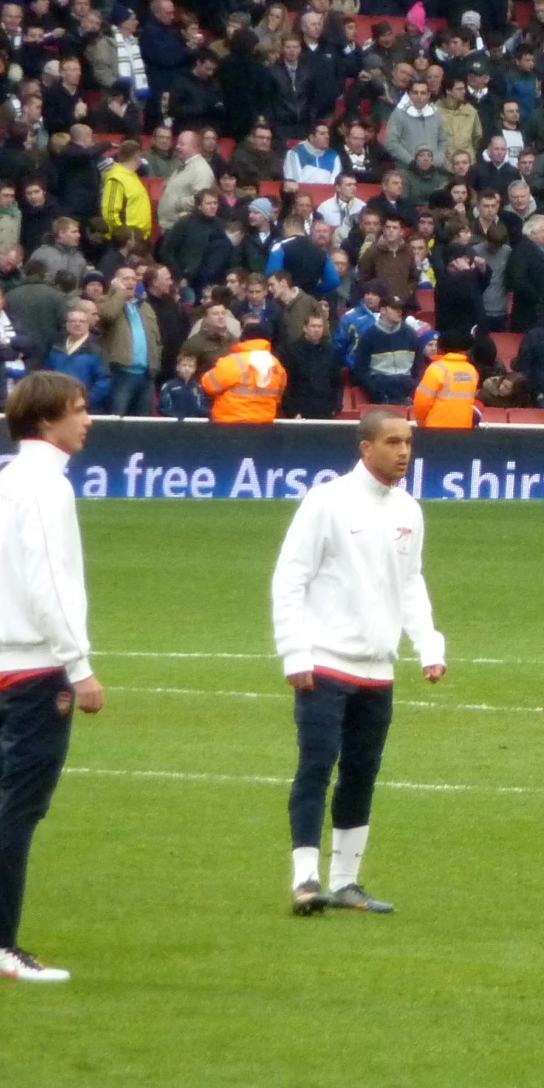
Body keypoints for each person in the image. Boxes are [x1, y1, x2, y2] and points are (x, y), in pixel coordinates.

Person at [0, 372, 104, 984]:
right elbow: (49, 582)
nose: (88, 420)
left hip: (2, 664)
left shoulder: (10, 478)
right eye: (79, 410)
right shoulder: (44, 487)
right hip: (37, 667)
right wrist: (79, 665)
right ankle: (0, 944)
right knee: (19, 809)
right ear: (46, 419)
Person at [271, 409, 447, 915]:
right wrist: (294, 652)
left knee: (362, 772)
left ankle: (346, 881)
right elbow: (290, 578)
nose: (403, 452)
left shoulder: (409, 510)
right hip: (324, 663)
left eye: (409, 443)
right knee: (317, 765)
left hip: (378, 669)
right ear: (365, 448)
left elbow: (410, 583)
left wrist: (429, 646)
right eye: (392, 442)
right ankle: (306, 878)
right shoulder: (327, 502)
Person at [202, 329, 287, 423]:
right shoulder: (276, 365)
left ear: (243, 340)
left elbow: (209, 385)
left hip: (230, 423)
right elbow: (278, 396)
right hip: (264, 424)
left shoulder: (233, 361)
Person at [412, 327, 481, 429]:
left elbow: (422, 401)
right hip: (464, 428)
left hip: (436, 429)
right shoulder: (472, 371)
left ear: (441, 348)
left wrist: (421, 422)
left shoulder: (436, 369)